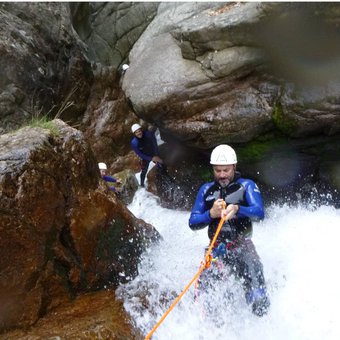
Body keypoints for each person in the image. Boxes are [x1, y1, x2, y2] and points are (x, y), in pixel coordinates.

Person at [189, 144, 270, 317]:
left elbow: (259, 213)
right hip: (216, 250)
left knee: (259, 301)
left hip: (242, 247)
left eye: (226, 170)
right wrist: (210, 214)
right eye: (218, 170)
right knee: (208, 304)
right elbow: (193, 222)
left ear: (234, 166)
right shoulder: (206, 190)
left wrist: (238, 210)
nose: (222, 175)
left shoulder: (246, 186)